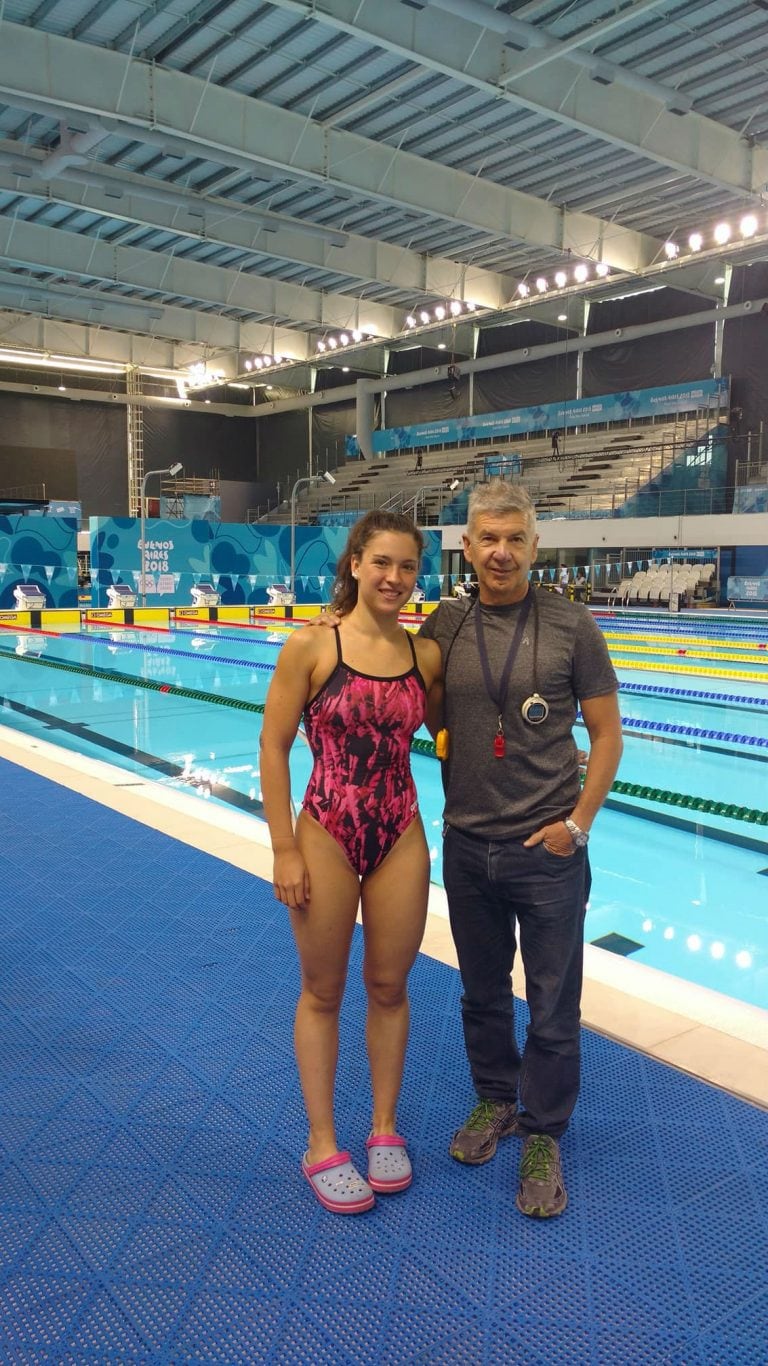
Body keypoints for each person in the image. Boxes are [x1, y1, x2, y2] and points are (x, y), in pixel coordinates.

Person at [419, 481, 622, 1219]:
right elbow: (409, 702)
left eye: (514, 538)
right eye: (486, 538)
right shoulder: (444, 624)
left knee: (552, 1004)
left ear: (535, 546)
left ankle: (543, 1132)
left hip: (548, 852)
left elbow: (607, 738)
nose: (500, 552)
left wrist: (578, 824)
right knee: (479, 994)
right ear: (466, 546)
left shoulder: (572, 626)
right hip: (469, 845)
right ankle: (496, 1101)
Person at [260, 510, 442, 1216]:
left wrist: (551, 760)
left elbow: (459, 733)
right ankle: (321, 1140)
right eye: (382, 563)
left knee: (391, 986)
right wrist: (282, 848)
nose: (394, 578)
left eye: (407, 567)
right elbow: (274, 746)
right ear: (356, 563)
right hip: (326, 831)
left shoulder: (422, 657)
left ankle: (384, 1128)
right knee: (324, 991)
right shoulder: (311, 648)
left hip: (399, 832)